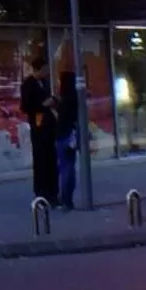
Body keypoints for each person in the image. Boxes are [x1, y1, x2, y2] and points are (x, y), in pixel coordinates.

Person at [19, 55, 56, 205]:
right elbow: (25, 106)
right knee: (40, 158)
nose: (46, 72)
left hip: (49, 123)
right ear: (37, 70)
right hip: (38, 124)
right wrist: (42, 105)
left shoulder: (46, 82)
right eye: (44, 69)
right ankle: (41, 191)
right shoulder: (28, 84)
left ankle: (53, 191)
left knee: (51, 158)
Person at [55, 68, 81, 209]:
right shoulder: (75, 97)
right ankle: (68, 198)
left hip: (63, 134)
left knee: (65, 167)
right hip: (71, 135)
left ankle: (65, 198)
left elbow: (62, 116)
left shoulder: (64, 98)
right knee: (70, 167)